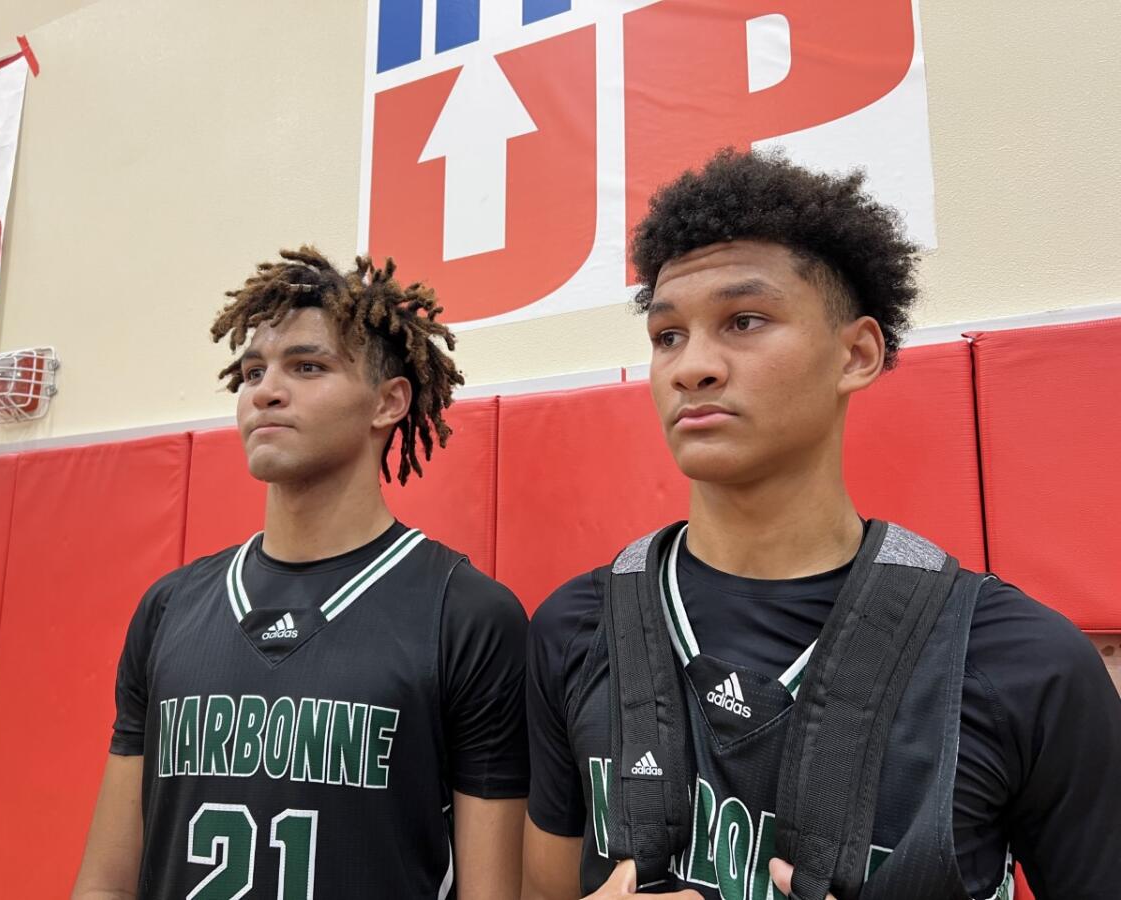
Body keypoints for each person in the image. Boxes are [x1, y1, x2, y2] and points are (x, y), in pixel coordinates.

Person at [522, 150, 1121, 900]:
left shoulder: (1024, 662)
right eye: (667, 334)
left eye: (744, 320)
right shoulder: (572, 628)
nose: (690, 367)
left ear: (857, 354)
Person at [73, 247, 529, 900]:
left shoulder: (466, 615)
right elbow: (107, 883)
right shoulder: (171, 607)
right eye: (254, 371)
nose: (266, 390)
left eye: (307, 366)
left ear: (388, 402)